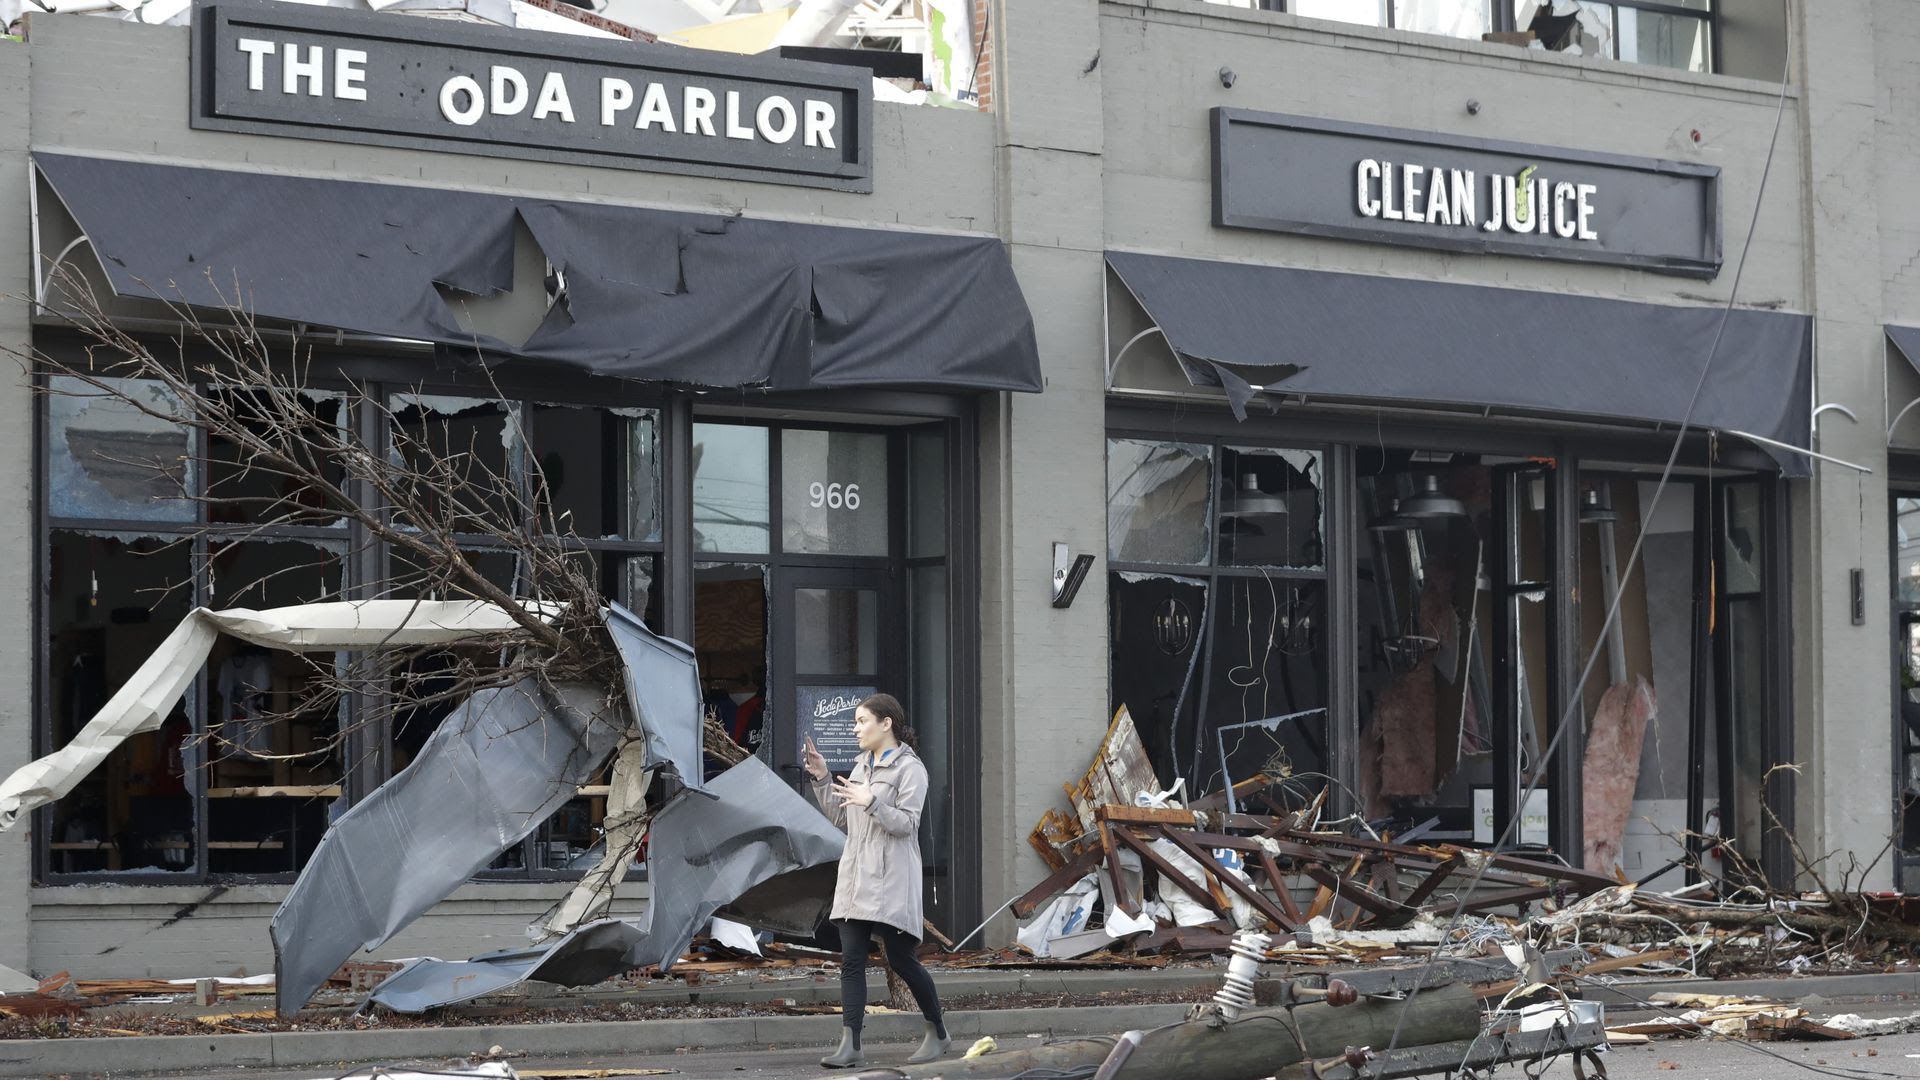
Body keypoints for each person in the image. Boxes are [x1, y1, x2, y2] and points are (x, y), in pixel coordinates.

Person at [804, 692, 949, 1069]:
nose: (855, 729)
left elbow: (906, 824)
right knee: (851, 960)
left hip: (892, 879)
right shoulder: (861, 766)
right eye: (854, 722)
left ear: (886, 723)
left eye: (861, 721)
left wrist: (872, 802)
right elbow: (841, 819)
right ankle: (850, 1044)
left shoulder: (910, 769)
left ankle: (938, 1031)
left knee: (902, 960)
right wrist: (821, 778)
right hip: (855, 876)